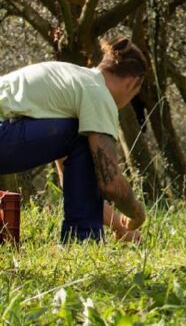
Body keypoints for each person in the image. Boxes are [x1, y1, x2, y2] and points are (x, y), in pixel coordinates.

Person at [0, 36, 148, 243]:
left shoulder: (73, 79)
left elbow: (73, 181)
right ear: (133, 82)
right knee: (87, 138)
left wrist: (119, 225)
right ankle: (83, 241)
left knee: (84, 139)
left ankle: (83, 237)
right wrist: (137, 213)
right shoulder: (97, 94)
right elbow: (110, 183)